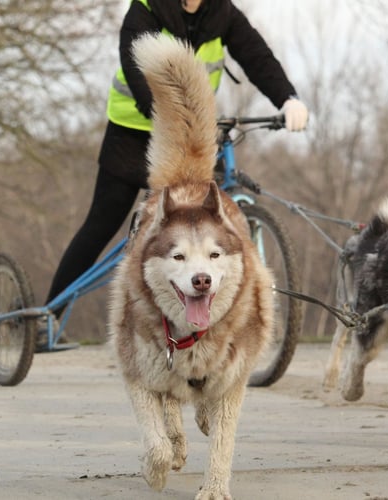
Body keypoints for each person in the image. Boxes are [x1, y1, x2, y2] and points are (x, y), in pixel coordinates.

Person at [40, 0, 309, 346]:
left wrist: (287, 98)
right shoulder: (146, 9)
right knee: (102, 226)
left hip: (189, 136)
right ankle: (47, 316)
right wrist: (164, 113)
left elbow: (256, 55)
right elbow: (136, 67)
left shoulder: (222, 12)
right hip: (134, 133)